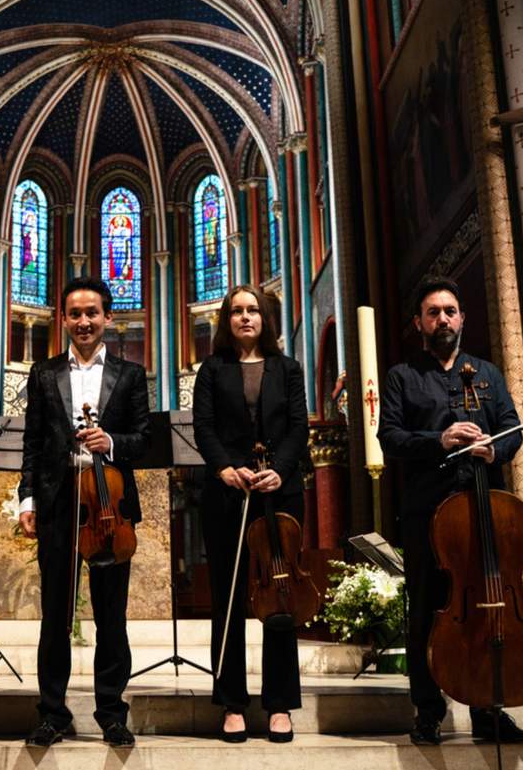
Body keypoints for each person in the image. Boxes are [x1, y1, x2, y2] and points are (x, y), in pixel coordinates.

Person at [377, 276, 523, 746]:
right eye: (433, 312)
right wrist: (440, 440)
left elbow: (512, 429)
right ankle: (428, 712)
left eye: (450, 311)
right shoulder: (402, 376)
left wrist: (495, 449)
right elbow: (390, 437)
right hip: (428, 513)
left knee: (486, 606)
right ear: (419, 323)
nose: (442, 319)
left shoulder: (487, 374)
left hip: (483, 508)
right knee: (426, 611)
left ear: (462, 318)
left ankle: (488, 709)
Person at [18, 277, 151, 748]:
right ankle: (52, 714)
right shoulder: (43, 373)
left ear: (107, 317)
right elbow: (33, 442)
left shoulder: (130, 375)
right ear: (63, 319)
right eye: (74, 313)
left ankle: (112, 714)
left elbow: (143, 440)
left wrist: (109, 441)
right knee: (55, 616)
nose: (83, 321)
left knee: (111, 616)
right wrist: (27, 498)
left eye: (92, 312)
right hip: (58, 503)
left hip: (109, 509)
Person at [192, 285, 308, 743]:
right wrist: (224, 467)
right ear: (226, 319)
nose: (245, 317)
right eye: (237, 311)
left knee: (280, 596)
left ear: (265, 318)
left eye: (253, 310)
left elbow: (298, 427)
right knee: (229, 597)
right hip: (228, 495)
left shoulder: (288, 368)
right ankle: (232, 703)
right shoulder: (212, 369)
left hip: (280, 493)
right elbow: (203, 426)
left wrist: (281, 469)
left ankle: (280, 703)